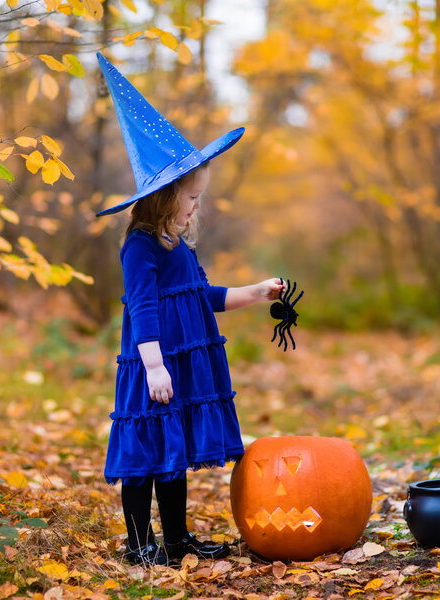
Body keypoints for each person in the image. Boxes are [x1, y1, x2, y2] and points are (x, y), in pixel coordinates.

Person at [95, 53, 285, 567]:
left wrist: (256, 291)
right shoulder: (140, 245)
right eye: (192, 198)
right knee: (144, 454)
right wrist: (154, 363)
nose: (196, 207)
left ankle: (176, 540)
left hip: (179, 363)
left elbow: (203, 297)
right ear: (164, 199)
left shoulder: (179, 246)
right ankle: (139, 545)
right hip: (153, 364)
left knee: (171, 451)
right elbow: (143, 304)